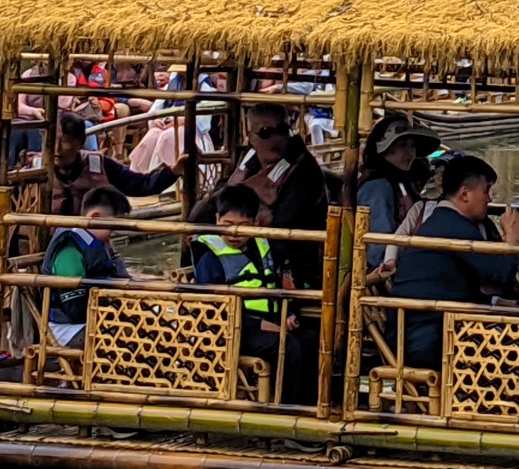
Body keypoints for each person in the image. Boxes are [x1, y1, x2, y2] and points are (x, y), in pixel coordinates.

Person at [384, 155, 519, 366]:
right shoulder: (455, 227)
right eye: (486, 190)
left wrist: (514, 304)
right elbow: (501, 275)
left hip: (417, 334)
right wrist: (513, 239)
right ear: (465, 193)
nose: (488, 199)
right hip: (428, 340)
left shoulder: (443, 221)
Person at [192, 103, 331, 285]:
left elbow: (285, 224)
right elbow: (217, 202)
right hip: (239, 249)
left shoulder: (304, 170)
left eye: (283, 130)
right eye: (266, 132)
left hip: (292, 263)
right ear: (251, 136)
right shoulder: (249, 159)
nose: (276, 139)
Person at [193, 184, 298, 391]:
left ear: (255, 223)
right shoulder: (210, 260)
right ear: (217, 220)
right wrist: (261, 325)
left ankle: (310, 400)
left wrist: (289, 314)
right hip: (232, 329)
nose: (234, 233)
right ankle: (287, 403)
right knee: (288, 345)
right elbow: (211, 309)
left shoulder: (264, 248)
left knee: (310, 338)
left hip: (270, 321)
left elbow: (278, 285)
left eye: (243, 226)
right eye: (228, 225)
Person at [42, 186, 133, 349]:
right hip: (71, 329)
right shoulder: (69, 247)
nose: (114, 233)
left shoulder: (100, 246)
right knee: (134, 336)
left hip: (97, 318)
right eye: (113, 227)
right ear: (95, 217)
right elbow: (74, 306)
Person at [48, 112, 177, 215]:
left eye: (65, 141)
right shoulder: (39, 169)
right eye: (52, 140)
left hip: (91, 237)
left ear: (80, 142)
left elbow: (140, 185)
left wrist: (172, 172)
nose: (57, 149)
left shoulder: (98, 164)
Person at [356, 118, 442, 270]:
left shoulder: (398, 181)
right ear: (385, 147)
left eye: (413, 146)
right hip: (383, 269)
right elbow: (378, 246)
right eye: (402, 145)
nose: (411, 153)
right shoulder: (378, 187)